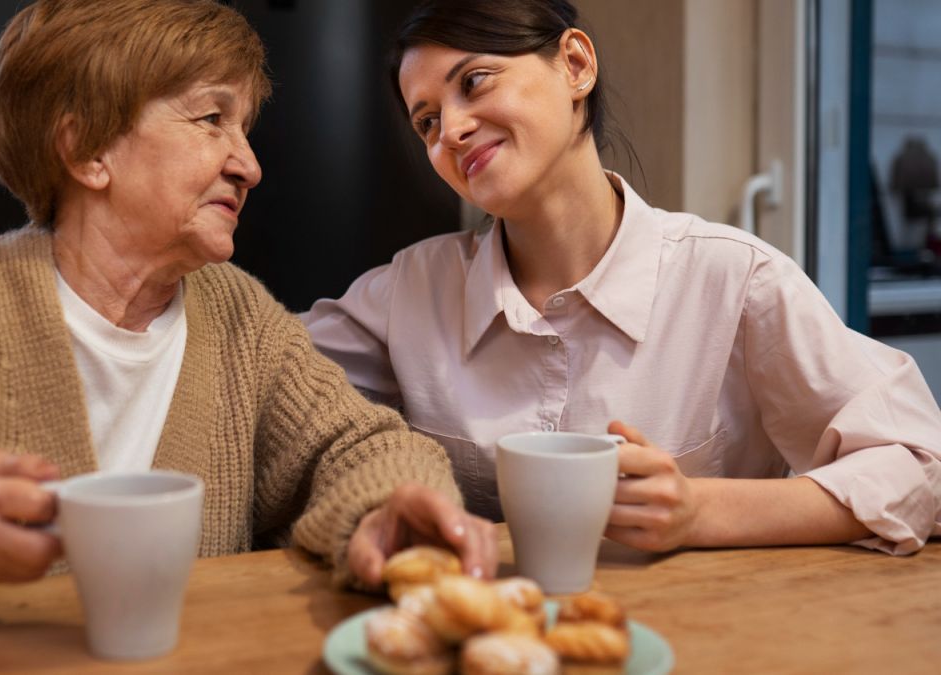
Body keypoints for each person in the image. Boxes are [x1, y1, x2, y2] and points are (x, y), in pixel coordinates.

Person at [0, 0, 497, 618]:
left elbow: (359, 446)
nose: (249, 164)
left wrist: (389, 507)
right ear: (87, 152)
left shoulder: (238, 319)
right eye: (211, 119)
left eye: (244, 128)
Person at [304, 0, 941, 555]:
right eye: (427, 121)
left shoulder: (735, 280)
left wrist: (700, 511)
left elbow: (922, 465)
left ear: (575, 65)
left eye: (474, 82)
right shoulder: (410, 293)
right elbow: (264, 374)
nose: (452, 131)